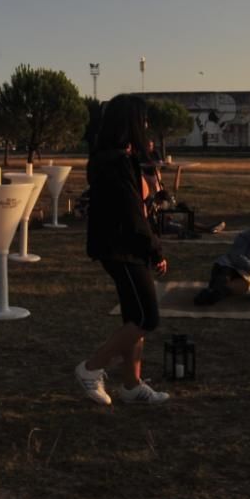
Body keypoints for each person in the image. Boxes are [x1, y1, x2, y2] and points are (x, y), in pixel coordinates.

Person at [77, 94, 170, 405]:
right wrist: (155, 249)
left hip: (121, 246)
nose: (145, 126)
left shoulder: (107, 157)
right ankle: (91, 368)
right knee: (147, 318)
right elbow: (133, 216)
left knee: (134, 316)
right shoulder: (116, 162)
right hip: (123, 248)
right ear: (129, 122)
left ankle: (131, 385)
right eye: (142, 120)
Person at [194, 215, 250, 305]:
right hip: (230, 265)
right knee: (223, 280)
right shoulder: (245, 237)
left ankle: (217, 293)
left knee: (238, 287)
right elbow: (236, 257)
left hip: (247, 274)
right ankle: (209, 293)